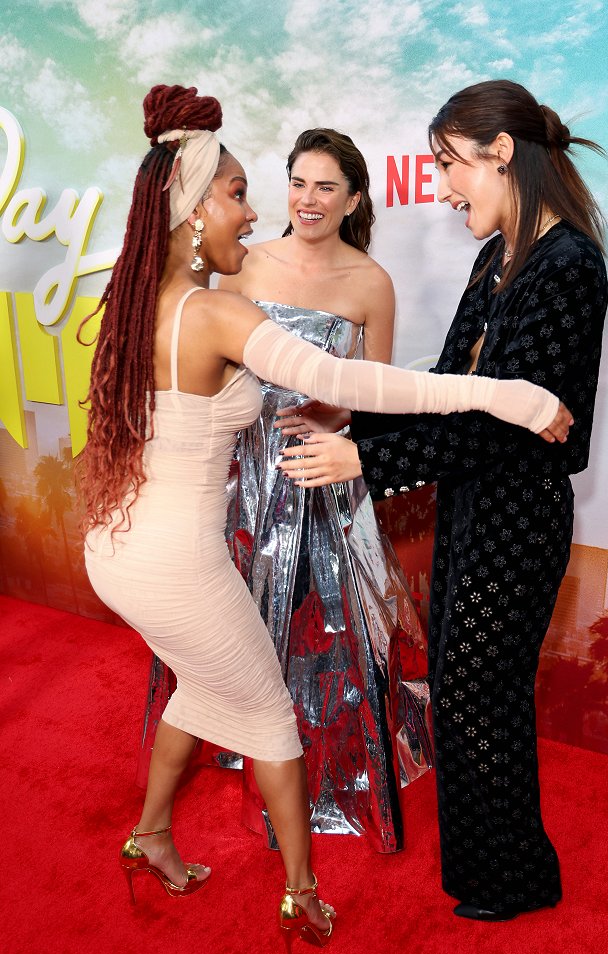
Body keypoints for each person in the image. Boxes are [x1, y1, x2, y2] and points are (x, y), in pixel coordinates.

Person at [77, 82, 572, 953]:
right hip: (178, 560)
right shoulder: (220, 308)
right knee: (270, 718)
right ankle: (301, 896)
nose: (260, 208)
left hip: (120, 549)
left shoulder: (137, 295)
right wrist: (509, 393)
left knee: (199, 686)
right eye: (237, 194)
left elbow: (350, 395)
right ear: (194, 212)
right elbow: (351, 383)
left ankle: (151, 833)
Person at [278, 79, 608, 922]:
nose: (439, 185)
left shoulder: (569, 264)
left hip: (518, 515)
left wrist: (361, 460)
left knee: (474, 692)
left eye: (448, 164)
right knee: (465, 691)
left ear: (501, 155)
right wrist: (358, 420)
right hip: (470, 503)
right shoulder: (493, 255)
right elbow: (450, 391)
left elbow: (508, 427)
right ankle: (490, 872)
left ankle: (514, 878)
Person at [140, 127, 433, 853]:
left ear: (353, 199)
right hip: (242, 473)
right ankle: (244, 749)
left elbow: (374, 387)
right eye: (297, 182)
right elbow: (197, 357)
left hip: (319, 474)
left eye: (325, 186)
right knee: (238, 623)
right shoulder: (240, 266)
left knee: (328, 628)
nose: (307, 199)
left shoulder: (370, 282)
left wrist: (335, 413)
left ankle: (334, 774)